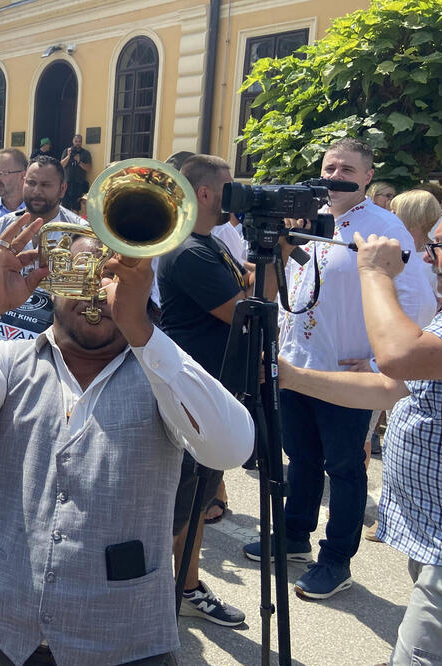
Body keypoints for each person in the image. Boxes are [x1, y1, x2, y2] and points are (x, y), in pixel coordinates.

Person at [0, 216, 255, 665]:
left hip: (125, 639)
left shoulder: (162, 369)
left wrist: (142, 331)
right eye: (81, 272)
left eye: (112, 275)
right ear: (51, 283)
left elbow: (230, 448)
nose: (95, 290)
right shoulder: (9, 359)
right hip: (1, 627)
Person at [277, 188, 442, 665]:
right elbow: (394, 386)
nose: (432, 258)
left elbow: (396, 357)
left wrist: (373, 272)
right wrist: (292, 376)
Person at [243, 138, 437, 600]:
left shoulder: (384, 228)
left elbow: (420, 301)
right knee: (302, 460)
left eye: (347, 168)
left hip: (349, 380)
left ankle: (336, 561)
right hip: (298, 367)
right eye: (329, 166)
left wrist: (378, 357)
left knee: (345, 469)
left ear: (368, 176)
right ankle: (294, 536)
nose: (335, 176)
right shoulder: (306, 219)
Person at [158, 155, 289, 627]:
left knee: (198, 501)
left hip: (215, 390)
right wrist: (278, 259)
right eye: (229, 186)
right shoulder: (188, 251)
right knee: (179, 508)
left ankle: (187, 585)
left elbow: (249, 283)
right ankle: (160, 594)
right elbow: (247, 312)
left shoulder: (209, 244)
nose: (237, 195)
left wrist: (272, 253)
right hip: (195, 395)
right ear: (208, 193)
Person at [0, 155, 83, 298]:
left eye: (45, 185)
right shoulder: (1, 227)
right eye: (31, 183)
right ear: (23, 183)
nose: (37, 191)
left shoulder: (79, 231)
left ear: (62, 189)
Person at [60, 133, 91, 213]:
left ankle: (73, 224)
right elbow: (61, 165)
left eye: (79, 141)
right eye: (76, 141)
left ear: (81, 142)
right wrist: (68, 156)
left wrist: (79, 161)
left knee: (76, 208)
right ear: (73, 141)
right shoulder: (67, 151)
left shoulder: (85, 153)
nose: (77, 143)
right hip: (67, 183)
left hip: (78, 184)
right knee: (64, 207)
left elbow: (88, 168)